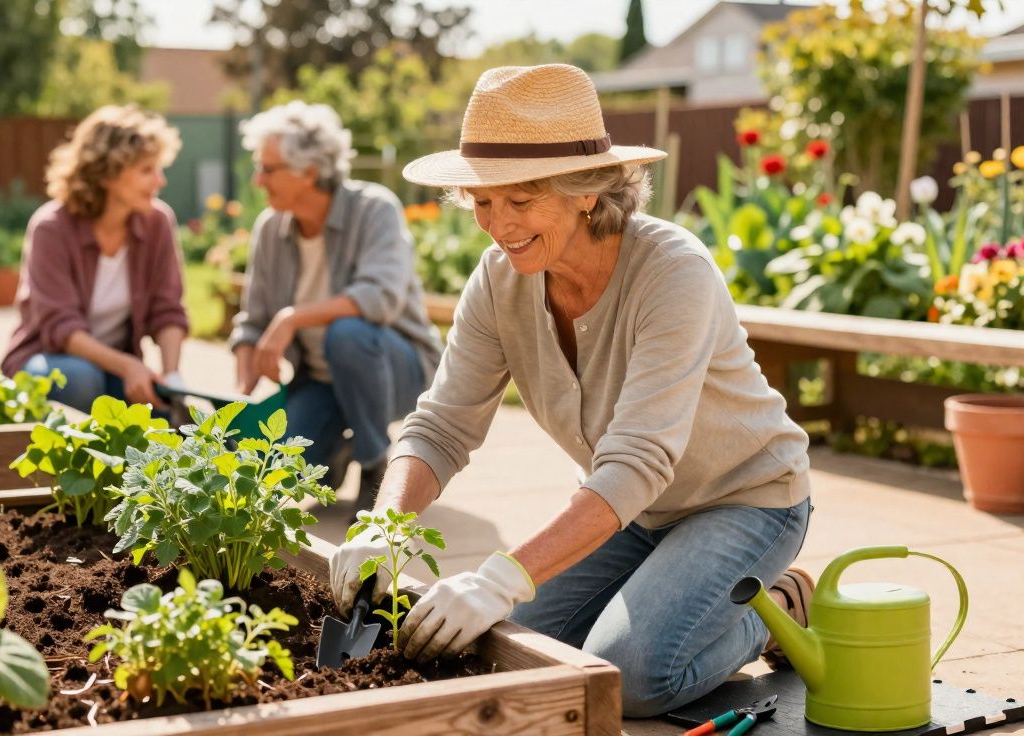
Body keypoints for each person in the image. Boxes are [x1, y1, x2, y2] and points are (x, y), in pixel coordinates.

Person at [328, 64, 815, 718]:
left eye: (520, 201)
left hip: (745, 500)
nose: (499, 226)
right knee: (521, 649)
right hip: (636, 512)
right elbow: (442, 425)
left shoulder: (674, 274)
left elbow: (637, 459)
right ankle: (693, 593)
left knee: (635, 677)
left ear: (586, 191)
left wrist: (498, 577)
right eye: (484, 202)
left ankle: (778, 601)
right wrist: (383, 527)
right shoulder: (501, 279)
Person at [231, 101, 443, 506]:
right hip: (320, 379)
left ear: (308, 171)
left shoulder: (374, 209)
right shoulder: (270, 229)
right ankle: (340, 451)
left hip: (398, 370)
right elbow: (253, 321)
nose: (258, 179)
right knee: (282, 473)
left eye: (268, 168)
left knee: (347, 333)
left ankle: (374, 461)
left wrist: (292, 319)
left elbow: (379, 297)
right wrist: (243, 388)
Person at [1, 105, 189, 414]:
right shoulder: (52, 228)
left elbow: (167, 310)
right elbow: (61, 328)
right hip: (45, 362)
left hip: (116, 367)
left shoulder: (157, 222)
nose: (160, 181)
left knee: (162, 410)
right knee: (82, 379)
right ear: (107, 174)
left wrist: (172, 378)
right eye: (146, 170)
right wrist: (128, 366)